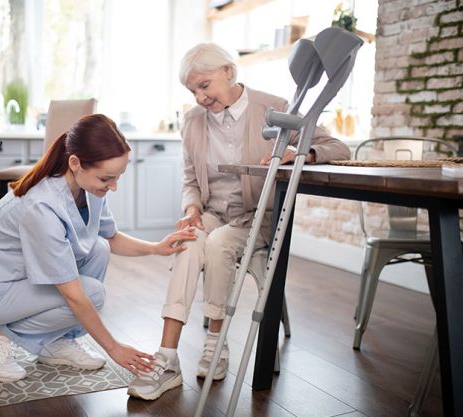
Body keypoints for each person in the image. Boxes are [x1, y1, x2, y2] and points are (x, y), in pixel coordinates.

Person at [127, 43, 351, 400]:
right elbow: (190, 180)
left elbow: (338, 147)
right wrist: (191, 211)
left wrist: (303, 153)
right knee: (188, 242)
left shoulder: (275, 108)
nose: (200, 97)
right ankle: (167, 359)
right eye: (192, 91)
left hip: (256, 217)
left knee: (217, 245)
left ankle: (215, 346)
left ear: (228, 72)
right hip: (214, 214)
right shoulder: (192, 121)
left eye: (204, 85)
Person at [0, 114, 196, 383]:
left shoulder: (87, 188)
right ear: (75, 163)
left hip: (18, 279)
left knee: (99, 249)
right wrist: (114, 348)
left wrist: (155, 248)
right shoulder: (42, 205)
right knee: (92, 294)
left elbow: (110, 237)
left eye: (118, 177)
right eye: (106, 179)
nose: (113, 187)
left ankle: (55, 342)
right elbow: (75, 297)